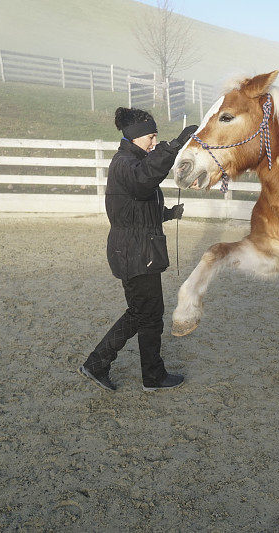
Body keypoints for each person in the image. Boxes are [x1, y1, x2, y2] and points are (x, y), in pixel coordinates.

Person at [78, 107, 198, 392]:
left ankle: (139, 373)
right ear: (135, 137)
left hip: (138, 250)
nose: (154, 142)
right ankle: (115, 367)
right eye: (151, 137)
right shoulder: (125, 163)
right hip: (135, 252)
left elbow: (137, 206)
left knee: (144, 312)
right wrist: (174, 146)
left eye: (156, 138)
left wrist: (167, 213)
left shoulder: (133, 161)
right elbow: (144, 182)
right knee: (146, 312)